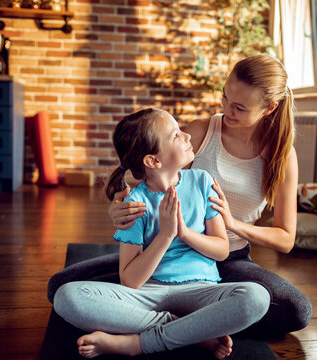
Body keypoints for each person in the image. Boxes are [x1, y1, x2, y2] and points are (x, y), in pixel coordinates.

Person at [48, 53, 312, 338]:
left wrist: (232, 224)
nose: (226, 110)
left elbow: (285, 238)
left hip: (229, 257)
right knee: (61, 287)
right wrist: (119, 203)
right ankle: (197, 324)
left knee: (295, 310)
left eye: (239, 107)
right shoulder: (201, 131)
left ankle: (158, 324)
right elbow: (150, 165)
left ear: (269, 108)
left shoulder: (282, 156)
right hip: (161, 253)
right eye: (224, 97)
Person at [53, 108, 270, 359]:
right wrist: (165, 236)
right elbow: (131, 281)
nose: (187, 136)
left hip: (200, 290)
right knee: (66, 297)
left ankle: (137, 344)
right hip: (147, 294)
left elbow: (222, 251)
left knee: (256, 298)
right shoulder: (134, 204)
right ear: (153, 161)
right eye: (176, 135)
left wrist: (184, 233)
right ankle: (189, 330)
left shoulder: (202, 181)